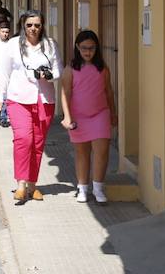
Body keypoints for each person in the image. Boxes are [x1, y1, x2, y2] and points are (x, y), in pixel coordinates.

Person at [0, 10, 61, 204]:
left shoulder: (50, 45)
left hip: (44, 99)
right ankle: (21, 184)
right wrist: (0, 96)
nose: (33, 28)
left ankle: (33, 183)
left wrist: (49, 75)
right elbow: (4, 73)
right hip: (18, 99)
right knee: (24, 139)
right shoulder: (14, 45)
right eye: (29, 25)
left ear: (42, 26)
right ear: (23, 25)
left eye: (37, 25)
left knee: (38, 143)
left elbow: (58, 69)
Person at [60, 30, 117, 204]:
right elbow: (65, 94)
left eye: (91, 48)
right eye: (84, 48)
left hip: (100, 114)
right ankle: (82, 188)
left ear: (96, 48)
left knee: (102, 151)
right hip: (78, 117)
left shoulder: (103, 68)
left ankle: (98, 188)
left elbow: (108, 92)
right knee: (82, 153)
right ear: (77, 47)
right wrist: (67, 117)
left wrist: (113, 113)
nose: (87, 52)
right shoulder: (70, 69)